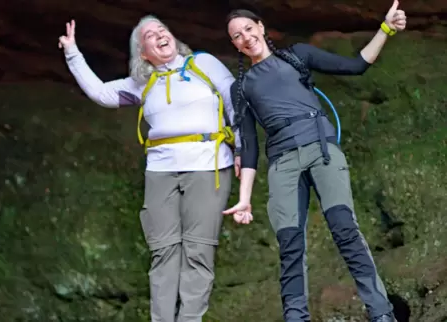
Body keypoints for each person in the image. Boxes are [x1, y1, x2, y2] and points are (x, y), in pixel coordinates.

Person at [222, 2, 406, 322]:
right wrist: (245, 199)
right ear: (234, 44)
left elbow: (357, 65)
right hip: (282, 163)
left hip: (321, 149)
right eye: (237, 36)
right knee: (290, 245)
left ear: (261, 27)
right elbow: (249, 145)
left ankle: (381, 314)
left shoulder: (298, 56)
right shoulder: (241, 87)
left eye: (249, 29)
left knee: (344, 229)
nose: (246, 37)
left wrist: (385, 29)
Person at [58, 15, 242, 322]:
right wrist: (73, 54)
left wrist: (243, 148)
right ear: (143, 53)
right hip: (160, 171)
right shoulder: (143, 83)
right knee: (163, 252)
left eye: (163, 30)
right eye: (149, 35)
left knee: (198, 250)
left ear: (174, 38)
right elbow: (101, 93)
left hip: (207, 164)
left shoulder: (203, 64)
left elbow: (234, 99)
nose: (159, 35)